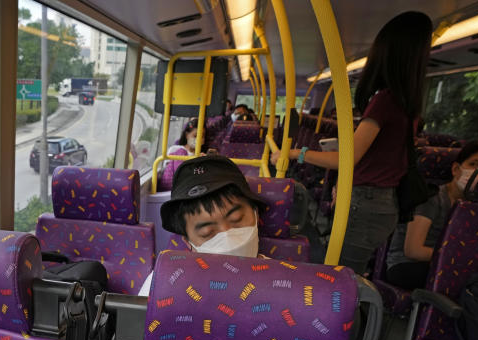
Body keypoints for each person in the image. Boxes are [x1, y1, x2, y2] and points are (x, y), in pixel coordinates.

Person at [272, 11, 434, 276]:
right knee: (346, 275)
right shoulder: (407, 104)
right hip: (379, 202)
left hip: (367, 204)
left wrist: (294, 153)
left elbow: (346, 160)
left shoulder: (385, 101)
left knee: (339, 280)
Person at [140, 153, 269, 296]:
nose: (228, 238)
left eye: (236, 219)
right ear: (188, 242)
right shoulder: (162, 285)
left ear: (256, 214)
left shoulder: (286, 282)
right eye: (207, 232)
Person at [385, 139, 478, 289]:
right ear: (455, 169)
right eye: (473, 164)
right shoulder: (432, 198)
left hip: (447, 264)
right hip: (407, 265)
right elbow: (413, 250)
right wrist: (459, 257)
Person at [160, 118, 207, 189]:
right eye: (195, 136)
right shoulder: (175, 149)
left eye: (202, 136)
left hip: (189, 187)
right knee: (181, 152)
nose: (199, 139)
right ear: (187, 135)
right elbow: (167, 170)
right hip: (173, 186)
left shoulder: (202, 156)